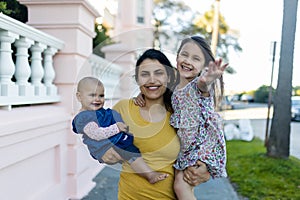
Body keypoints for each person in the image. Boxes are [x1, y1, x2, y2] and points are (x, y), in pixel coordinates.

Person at [100, 49, 211, 199]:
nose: (152, 80)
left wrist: (205, 170)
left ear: (168, 77)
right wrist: (102, 153)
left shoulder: (180, 115)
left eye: (159, 73)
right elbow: (97, 140)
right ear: (137, 79)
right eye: (145, 74)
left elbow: (203, 147)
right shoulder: (123, 108)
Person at [134, 36, 228, 200]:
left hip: (201, 144)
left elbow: (203, 86)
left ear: (203, 67)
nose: (188, 61)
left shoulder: (198, 85)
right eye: (184, 55)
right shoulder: (173, 82)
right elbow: (154, 86)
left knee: (180, 185)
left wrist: (207, 80)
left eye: (196, 59)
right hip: (186, 147)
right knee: (178, 187)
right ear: (177, 56)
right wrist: (140, 94)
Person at [72, 77, 169, 184]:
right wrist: (116, 128)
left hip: (116, 140)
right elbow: (96, 134)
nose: (98, 99)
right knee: (131, 154)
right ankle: (149, 174)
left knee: (134, 150)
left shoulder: (99, 112)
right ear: (79, 97)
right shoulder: (84, 117)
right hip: (108, 146)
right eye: (92, 95)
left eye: (101, 95)